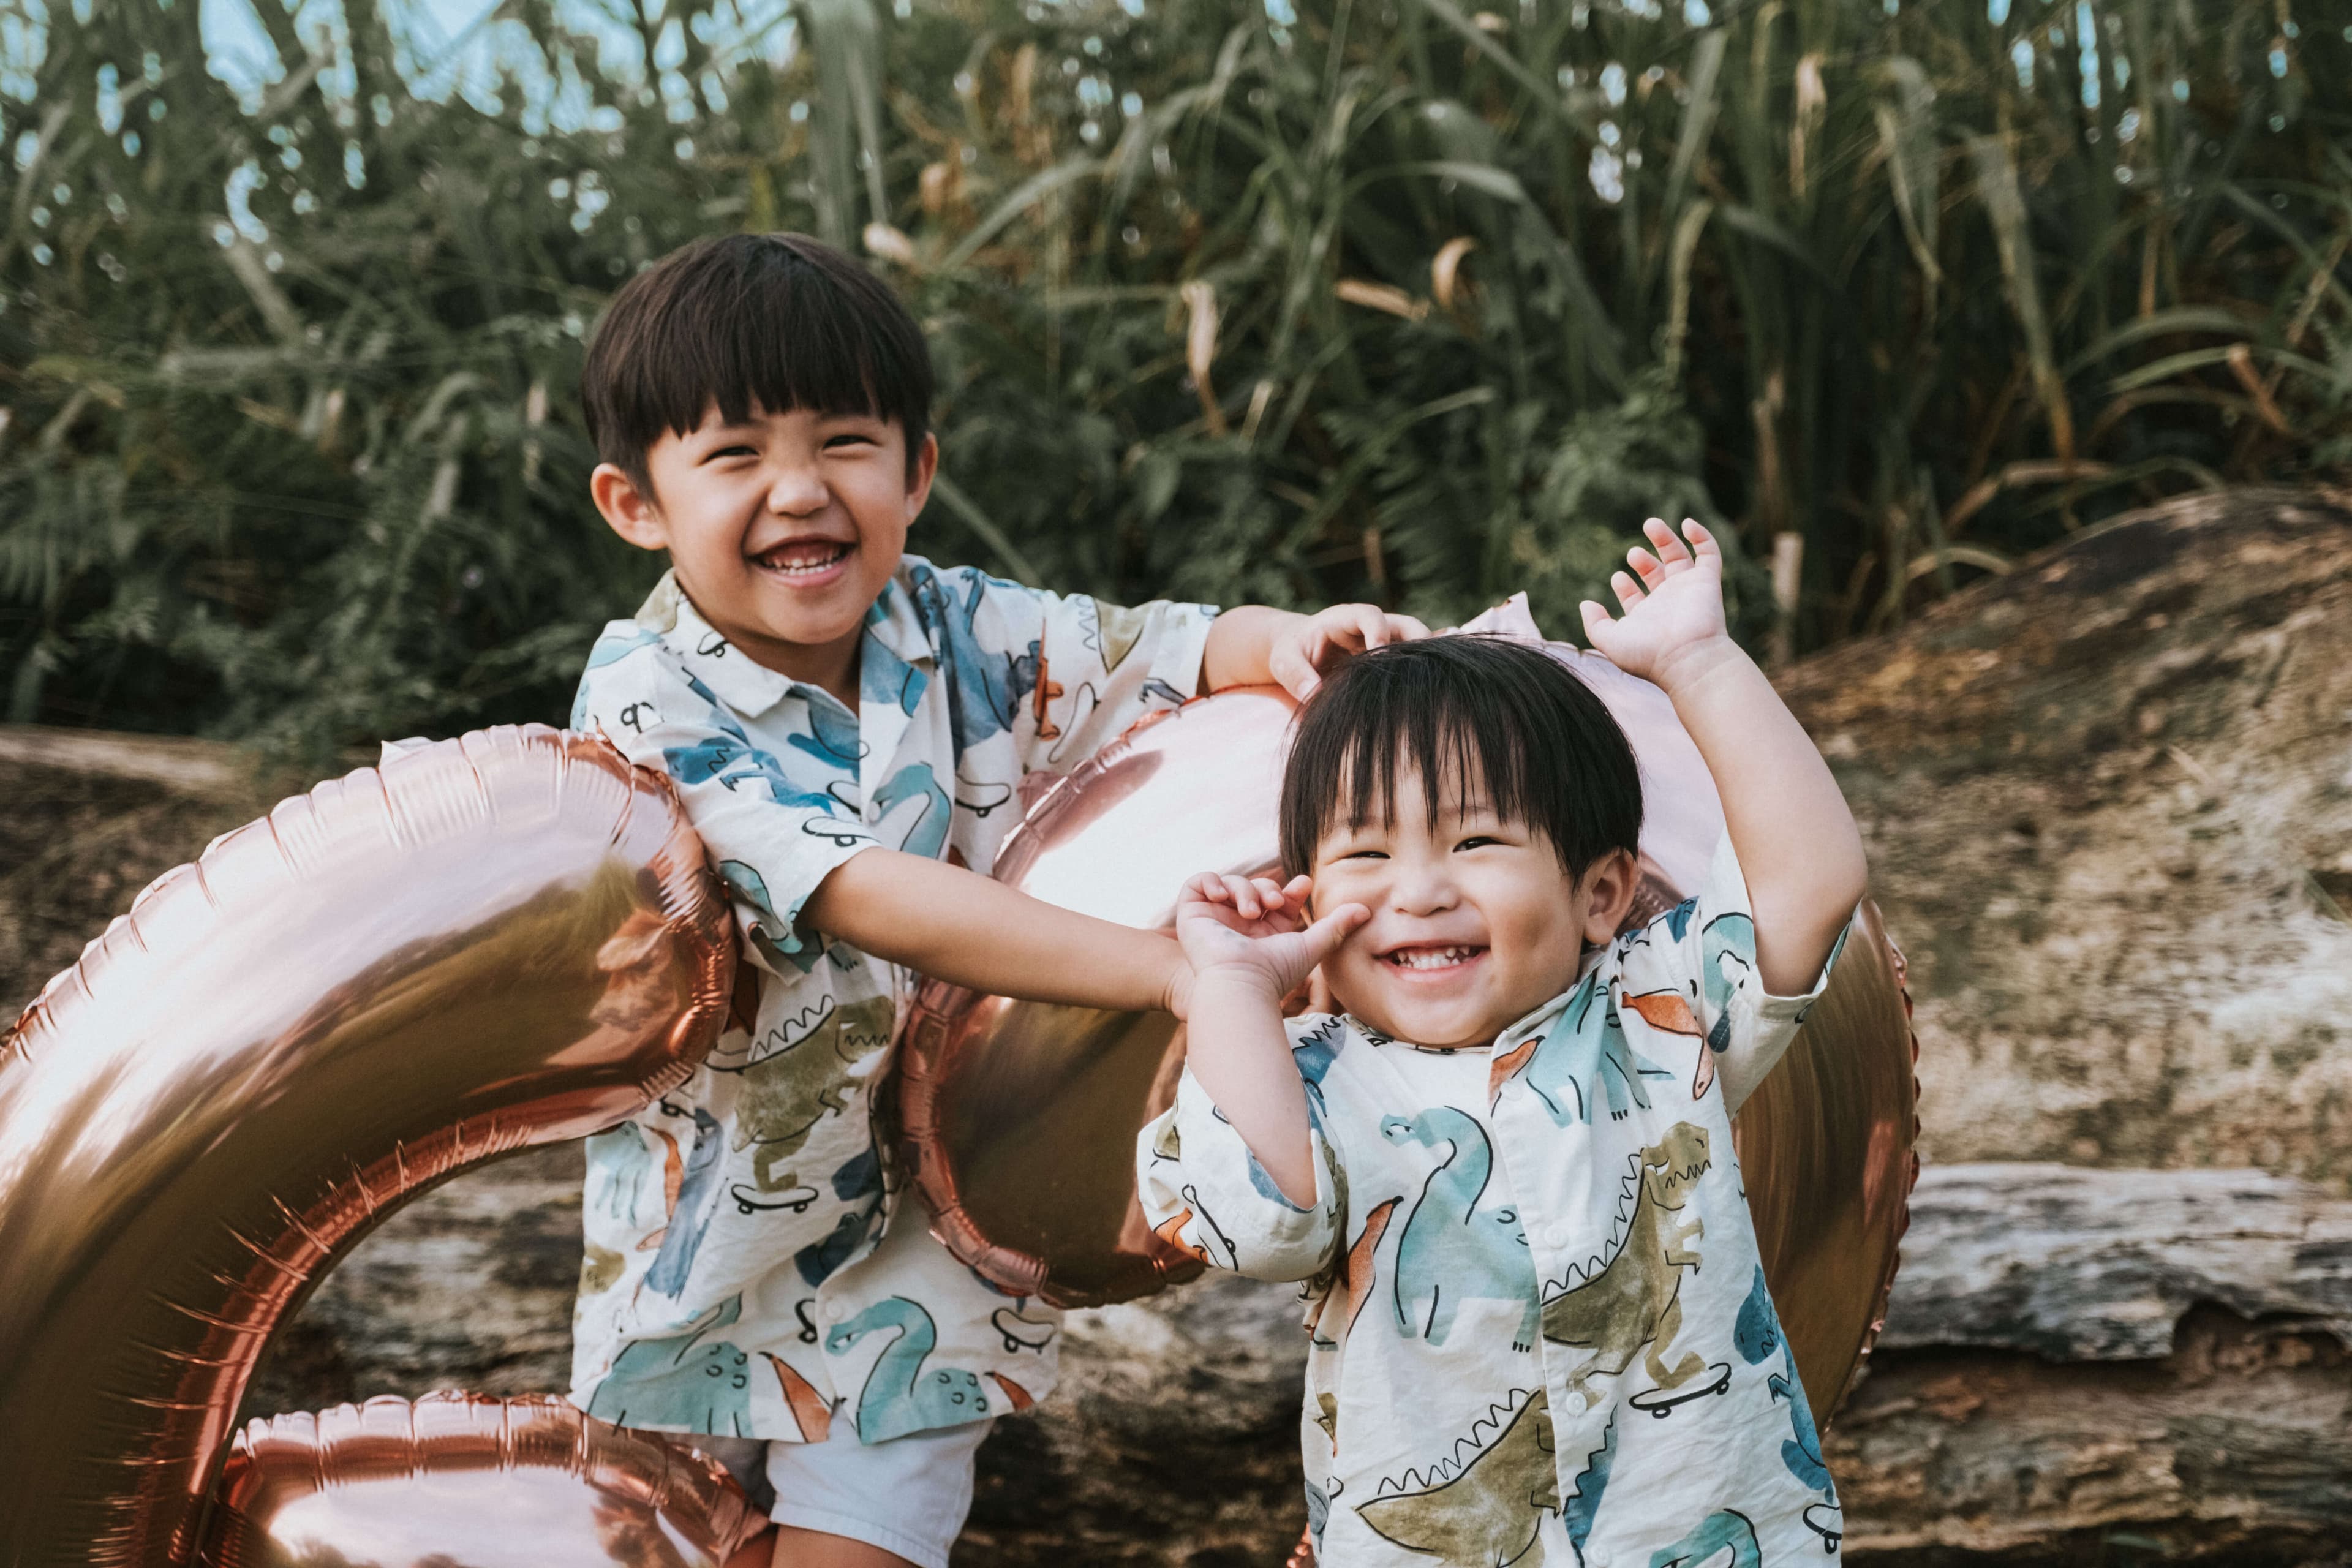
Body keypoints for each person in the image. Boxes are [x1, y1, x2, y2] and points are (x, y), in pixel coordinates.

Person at [566, 231, 1425, 1568]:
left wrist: (1288, 640)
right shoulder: (644, 699)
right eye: (735, 454)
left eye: (846, 442)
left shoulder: (956, 624)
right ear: (637, 503)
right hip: (711, 1244)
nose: (800, 491)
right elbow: (858, 891)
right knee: (664, 1539)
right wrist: (1163, 970)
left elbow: (1168, 645)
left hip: (930, 1240)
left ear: (918, 469)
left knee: (866, 1534)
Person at [1139, 519, 1869, 1567]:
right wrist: (1234, 987)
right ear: (1308, 897)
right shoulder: (1314, 1087)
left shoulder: (1658, 1017)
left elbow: (1810, 883)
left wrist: (1700, 663)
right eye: (1366, 852)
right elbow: (1260, 1214)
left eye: (1477, 840)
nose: (1422, 890)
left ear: (1601, 893)